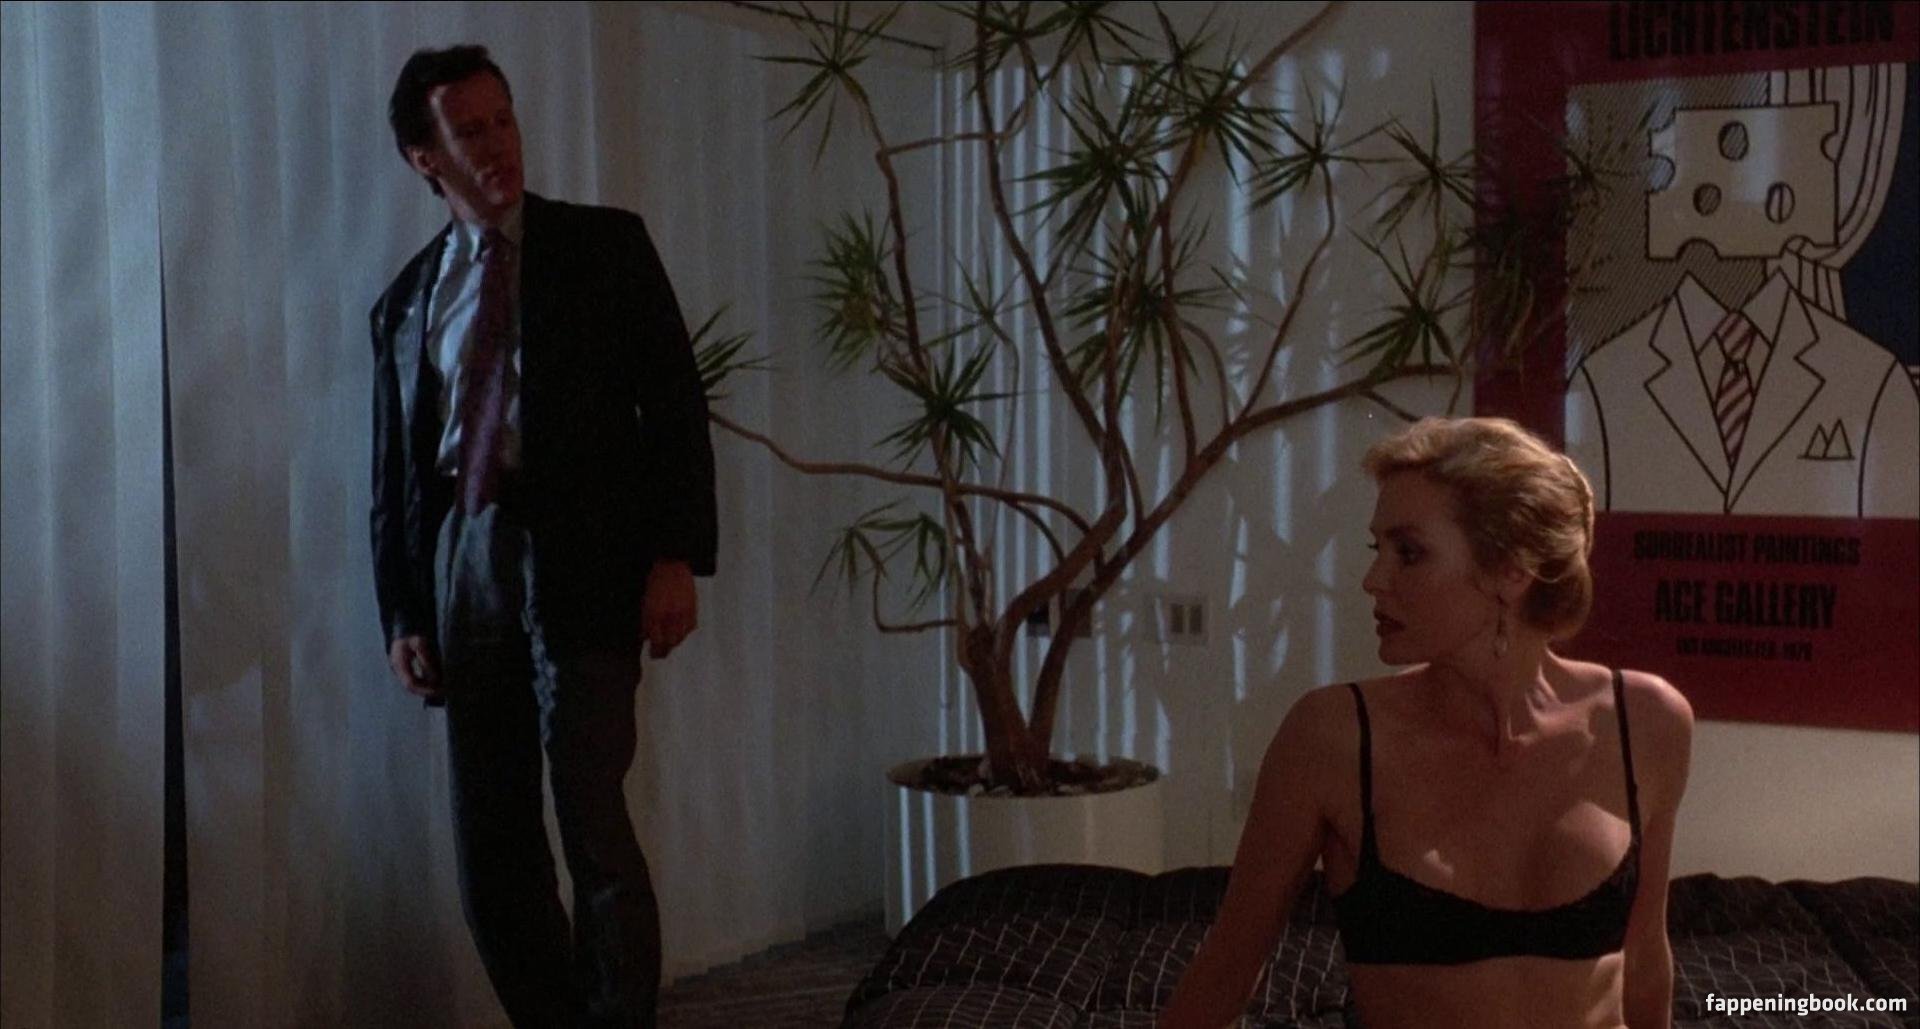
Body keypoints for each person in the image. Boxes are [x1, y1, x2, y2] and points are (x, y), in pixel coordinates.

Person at [369, 45, 716, 1029]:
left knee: (592, 814)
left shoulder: (604, 246)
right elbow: (394, 477)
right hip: (464, 555)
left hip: (588, 551)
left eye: (504, 120)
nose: (497, 146)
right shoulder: (407, 300)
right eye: (468, 131)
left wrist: (676, 555)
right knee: (492, 836)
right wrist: (402, 611)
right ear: (425, 156)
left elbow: (675, 405)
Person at [1159, 417, 1694, 1029]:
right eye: (1378, 550)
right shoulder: (1332, 737)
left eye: (1409, 553)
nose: (1373, 580)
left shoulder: (1645, 720)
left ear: (1511, 570)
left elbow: (1645, 959)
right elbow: (1227, 969)